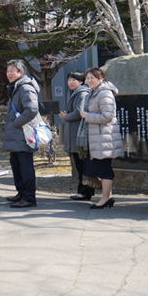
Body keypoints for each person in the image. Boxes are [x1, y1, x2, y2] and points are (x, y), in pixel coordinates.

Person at [80, 68, 123, 209]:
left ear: (101, 79)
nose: (89, 80)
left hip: (104, 138)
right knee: (99, 170)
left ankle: (105, 199)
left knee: (103, 171)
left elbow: (108, 116)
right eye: (87, 78)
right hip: (98, 138)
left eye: (92, 77)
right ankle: (107, 197)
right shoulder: (94, 92)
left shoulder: (105, 93)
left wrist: (87, 116)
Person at [2, 59, 40, 208]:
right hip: (16, 134)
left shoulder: (25, 87)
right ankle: (22, 193)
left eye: (12, 71)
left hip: (23, 134)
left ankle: (29, 197)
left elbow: (32, 109)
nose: (9, 74)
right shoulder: (16, 87)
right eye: (7, 71)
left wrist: (15, 123)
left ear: (21, 72)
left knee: (25, 166)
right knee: (16, 165)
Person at [58, 70, 94, 201]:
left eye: (74, 80)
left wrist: (66, 116)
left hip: (80, 135)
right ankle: (82, 191)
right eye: (69, 80)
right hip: (74, 133)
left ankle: (85, 192)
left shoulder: (82, 93)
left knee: (82, 165)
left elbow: (80, 112)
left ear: (81, 81)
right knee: (79, 165)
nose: (70, 82)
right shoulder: (72, 92)